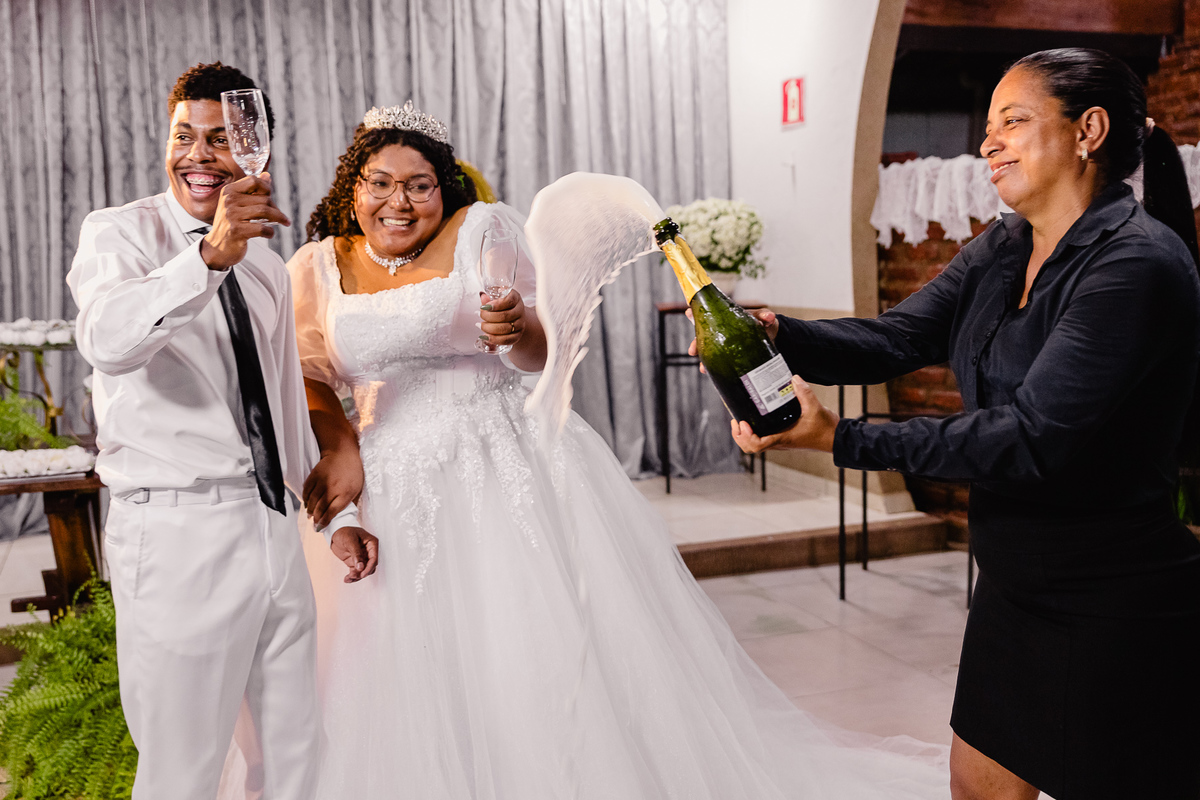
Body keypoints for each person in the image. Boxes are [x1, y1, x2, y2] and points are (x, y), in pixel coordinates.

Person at [286, 100, 951, 799]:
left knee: (526, 645)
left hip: (502, 455)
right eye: (379, 182)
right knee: (402, 664)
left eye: (418, 184)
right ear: (351, 186)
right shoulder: (317, 267)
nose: (398, 200)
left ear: (443, 187)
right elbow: (311, 375)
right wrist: (341, 455)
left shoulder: (482, 227)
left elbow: (539, 354)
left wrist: (514, 330)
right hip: (392, 478)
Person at [718, 49, 1200, 799]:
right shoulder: (1003, 248)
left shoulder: (1136, 266)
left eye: (1014, 120)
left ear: (1089, 130)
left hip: (1113, 599)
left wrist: (840, 438)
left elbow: (1030, 435)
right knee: (978, 787)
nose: (988, 143)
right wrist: (778, 333)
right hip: (1014, 588)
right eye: (987, 128)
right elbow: (895, 340)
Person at [67, 62, 378, 800]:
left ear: (254, 152)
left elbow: (275, 411)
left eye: (219, 140)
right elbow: (109, 341)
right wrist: (206, 257)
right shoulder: (119, 236)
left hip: (270, 530)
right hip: (176, 536)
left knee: (293, 759)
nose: (198, 155)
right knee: (182, 769)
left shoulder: (268, 269)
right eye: (184, 136)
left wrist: (342, 517)